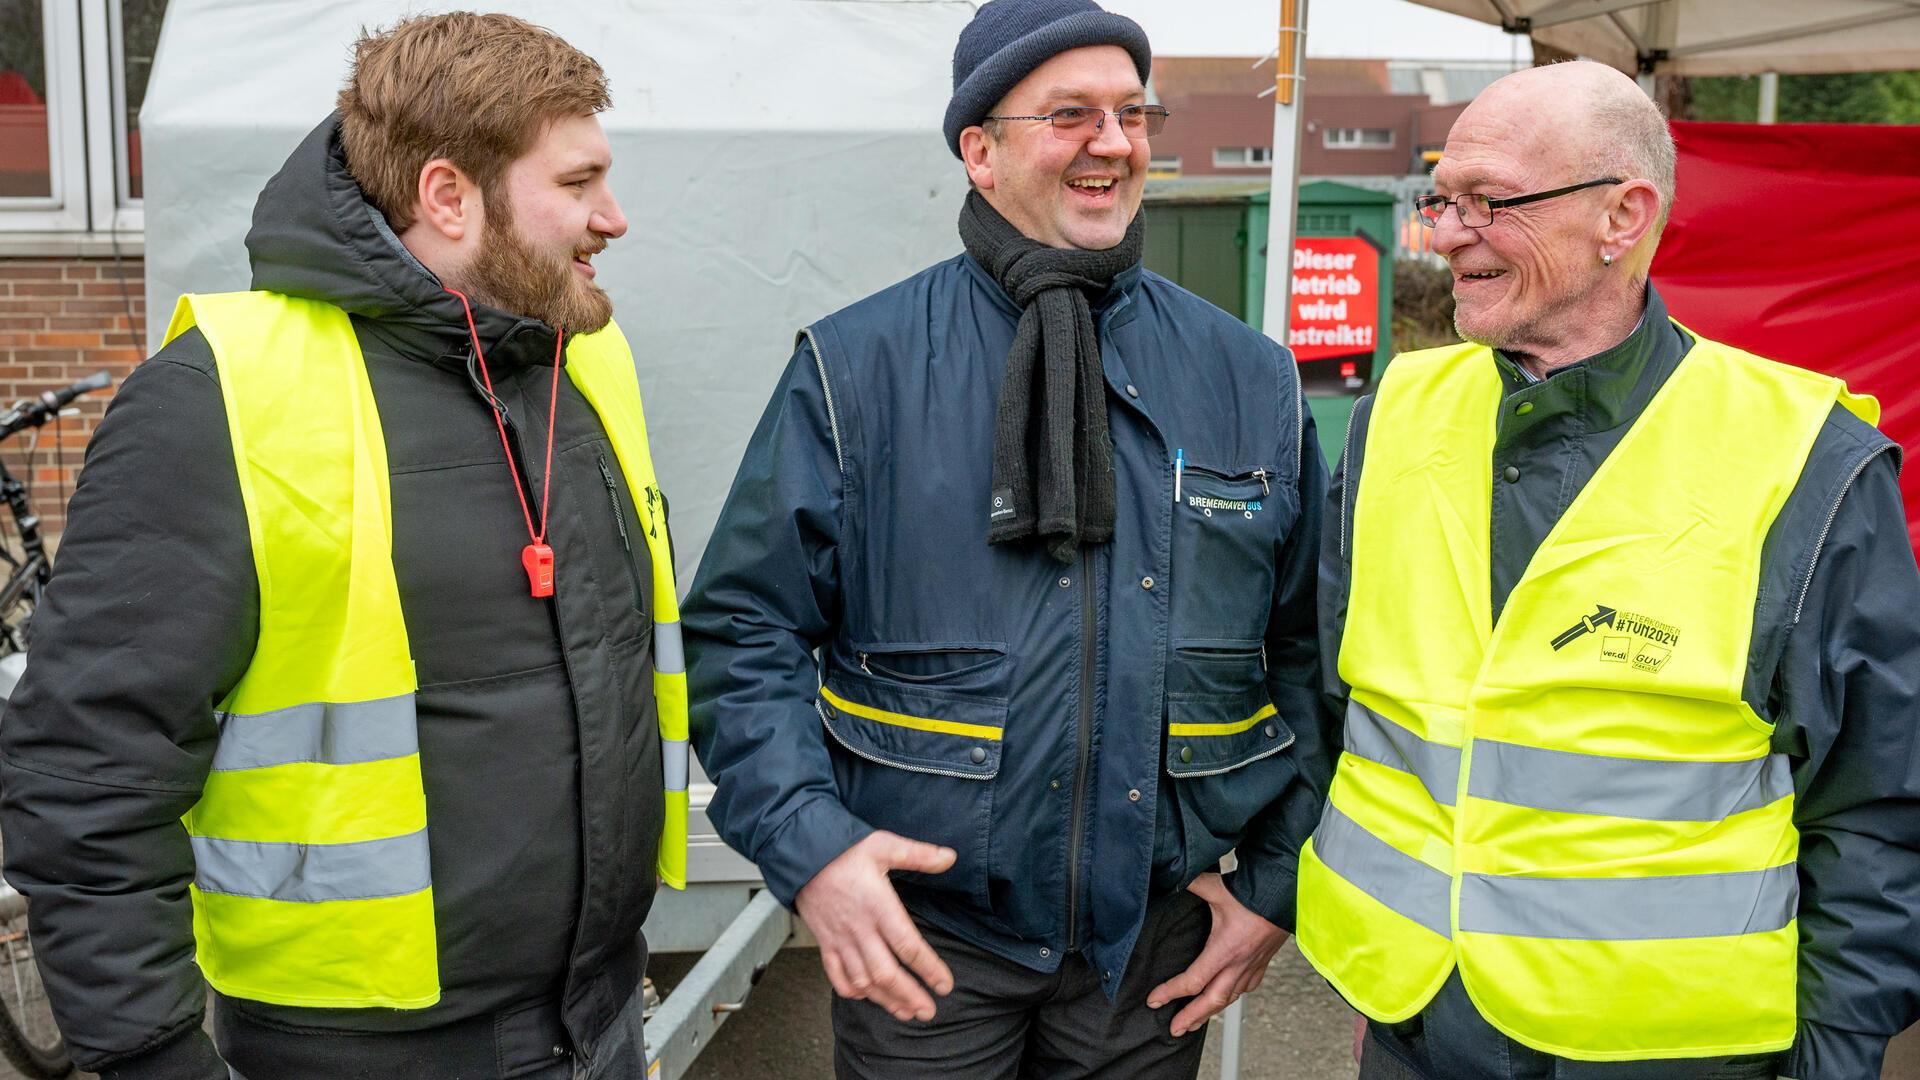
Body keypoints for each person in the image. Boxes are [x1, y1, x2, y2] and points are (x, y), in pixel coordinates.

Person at [0, 13, 686, 1079]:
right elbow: (87, 765)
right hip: (360, 1054)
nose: (615, 218)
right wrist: (148, 1053)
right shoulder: (222, 399)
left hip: (595, 1022)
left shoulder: (583, 367)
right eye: (580, 182)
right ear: (448, 195)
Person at [683, 1, 1337, 1076]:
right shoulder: (858, 369)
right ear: (978, 152)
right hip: (924, 945)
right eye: (1071, 114)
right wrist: (814, 854)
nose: (1115, 143)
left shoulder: (1245, 376)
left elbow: (1313, 650)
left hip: (1153, 953)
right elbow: (744, 634)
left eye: (1134, 113)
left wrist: (1274, 887)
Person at [1300, 60, 1920, 1080]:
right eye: (1440, 199)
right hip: (1412, 1027)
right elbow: (1338, 702)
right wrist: (1384, 982)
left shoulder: (1804, 457)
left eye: (1488, 201)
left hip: (1670, 1054)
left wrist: (1837, 1055)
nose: (1446, 233)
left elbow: (1876, 808)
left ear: (1623, 216)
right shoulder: (1395, 415)